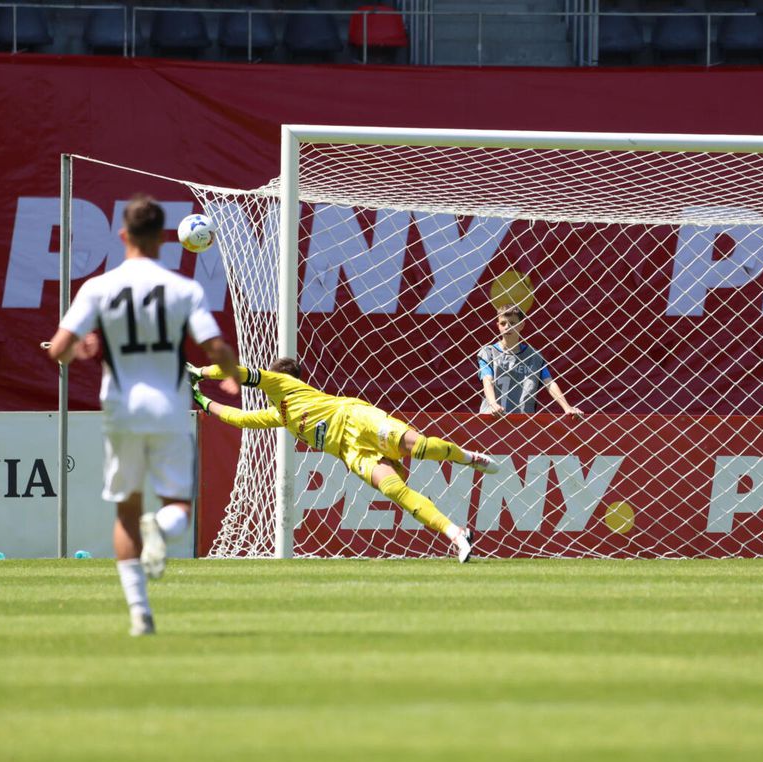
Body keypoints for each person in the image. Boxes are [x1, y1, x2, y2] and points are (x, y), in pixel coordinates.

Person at [47, 195, 239, 637]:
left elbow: (59, 349)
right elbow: (215, 347)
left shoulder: (98, 287)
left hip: (120, 407)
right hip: (169, 407)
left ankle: (140, 614)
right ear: (164, 239)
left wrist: (84, 347)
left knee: (126, 511)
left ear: (123, 235)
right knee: (178, 507)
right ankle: (162, 527)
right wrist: (229, 375)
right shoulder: (183, 289)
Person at [188, 358, 498, 563]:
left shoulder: (285, 385)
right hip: (350, 452)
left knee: (418, 447)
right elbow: (239, 418)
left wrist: (201, 373)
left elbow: (238, 373)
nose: (268, 383)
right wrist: (203, 400)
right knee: (395, 491)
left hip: (355, 419)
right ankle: (457, 535)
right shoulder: (278, 415)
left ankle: (469, 457)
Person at [478, 304, 583, 416]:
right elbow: (487, 380)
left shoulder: (534, 356)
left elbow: (549, 383)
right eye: (503, 323)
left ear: (521, 325)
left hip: (523, 423)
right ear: (498, 325)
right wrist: (493, 404)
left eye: (512, 323)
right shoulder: (488, 352)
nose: (507, 327)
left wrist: (567, 407)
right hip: (492, 418)